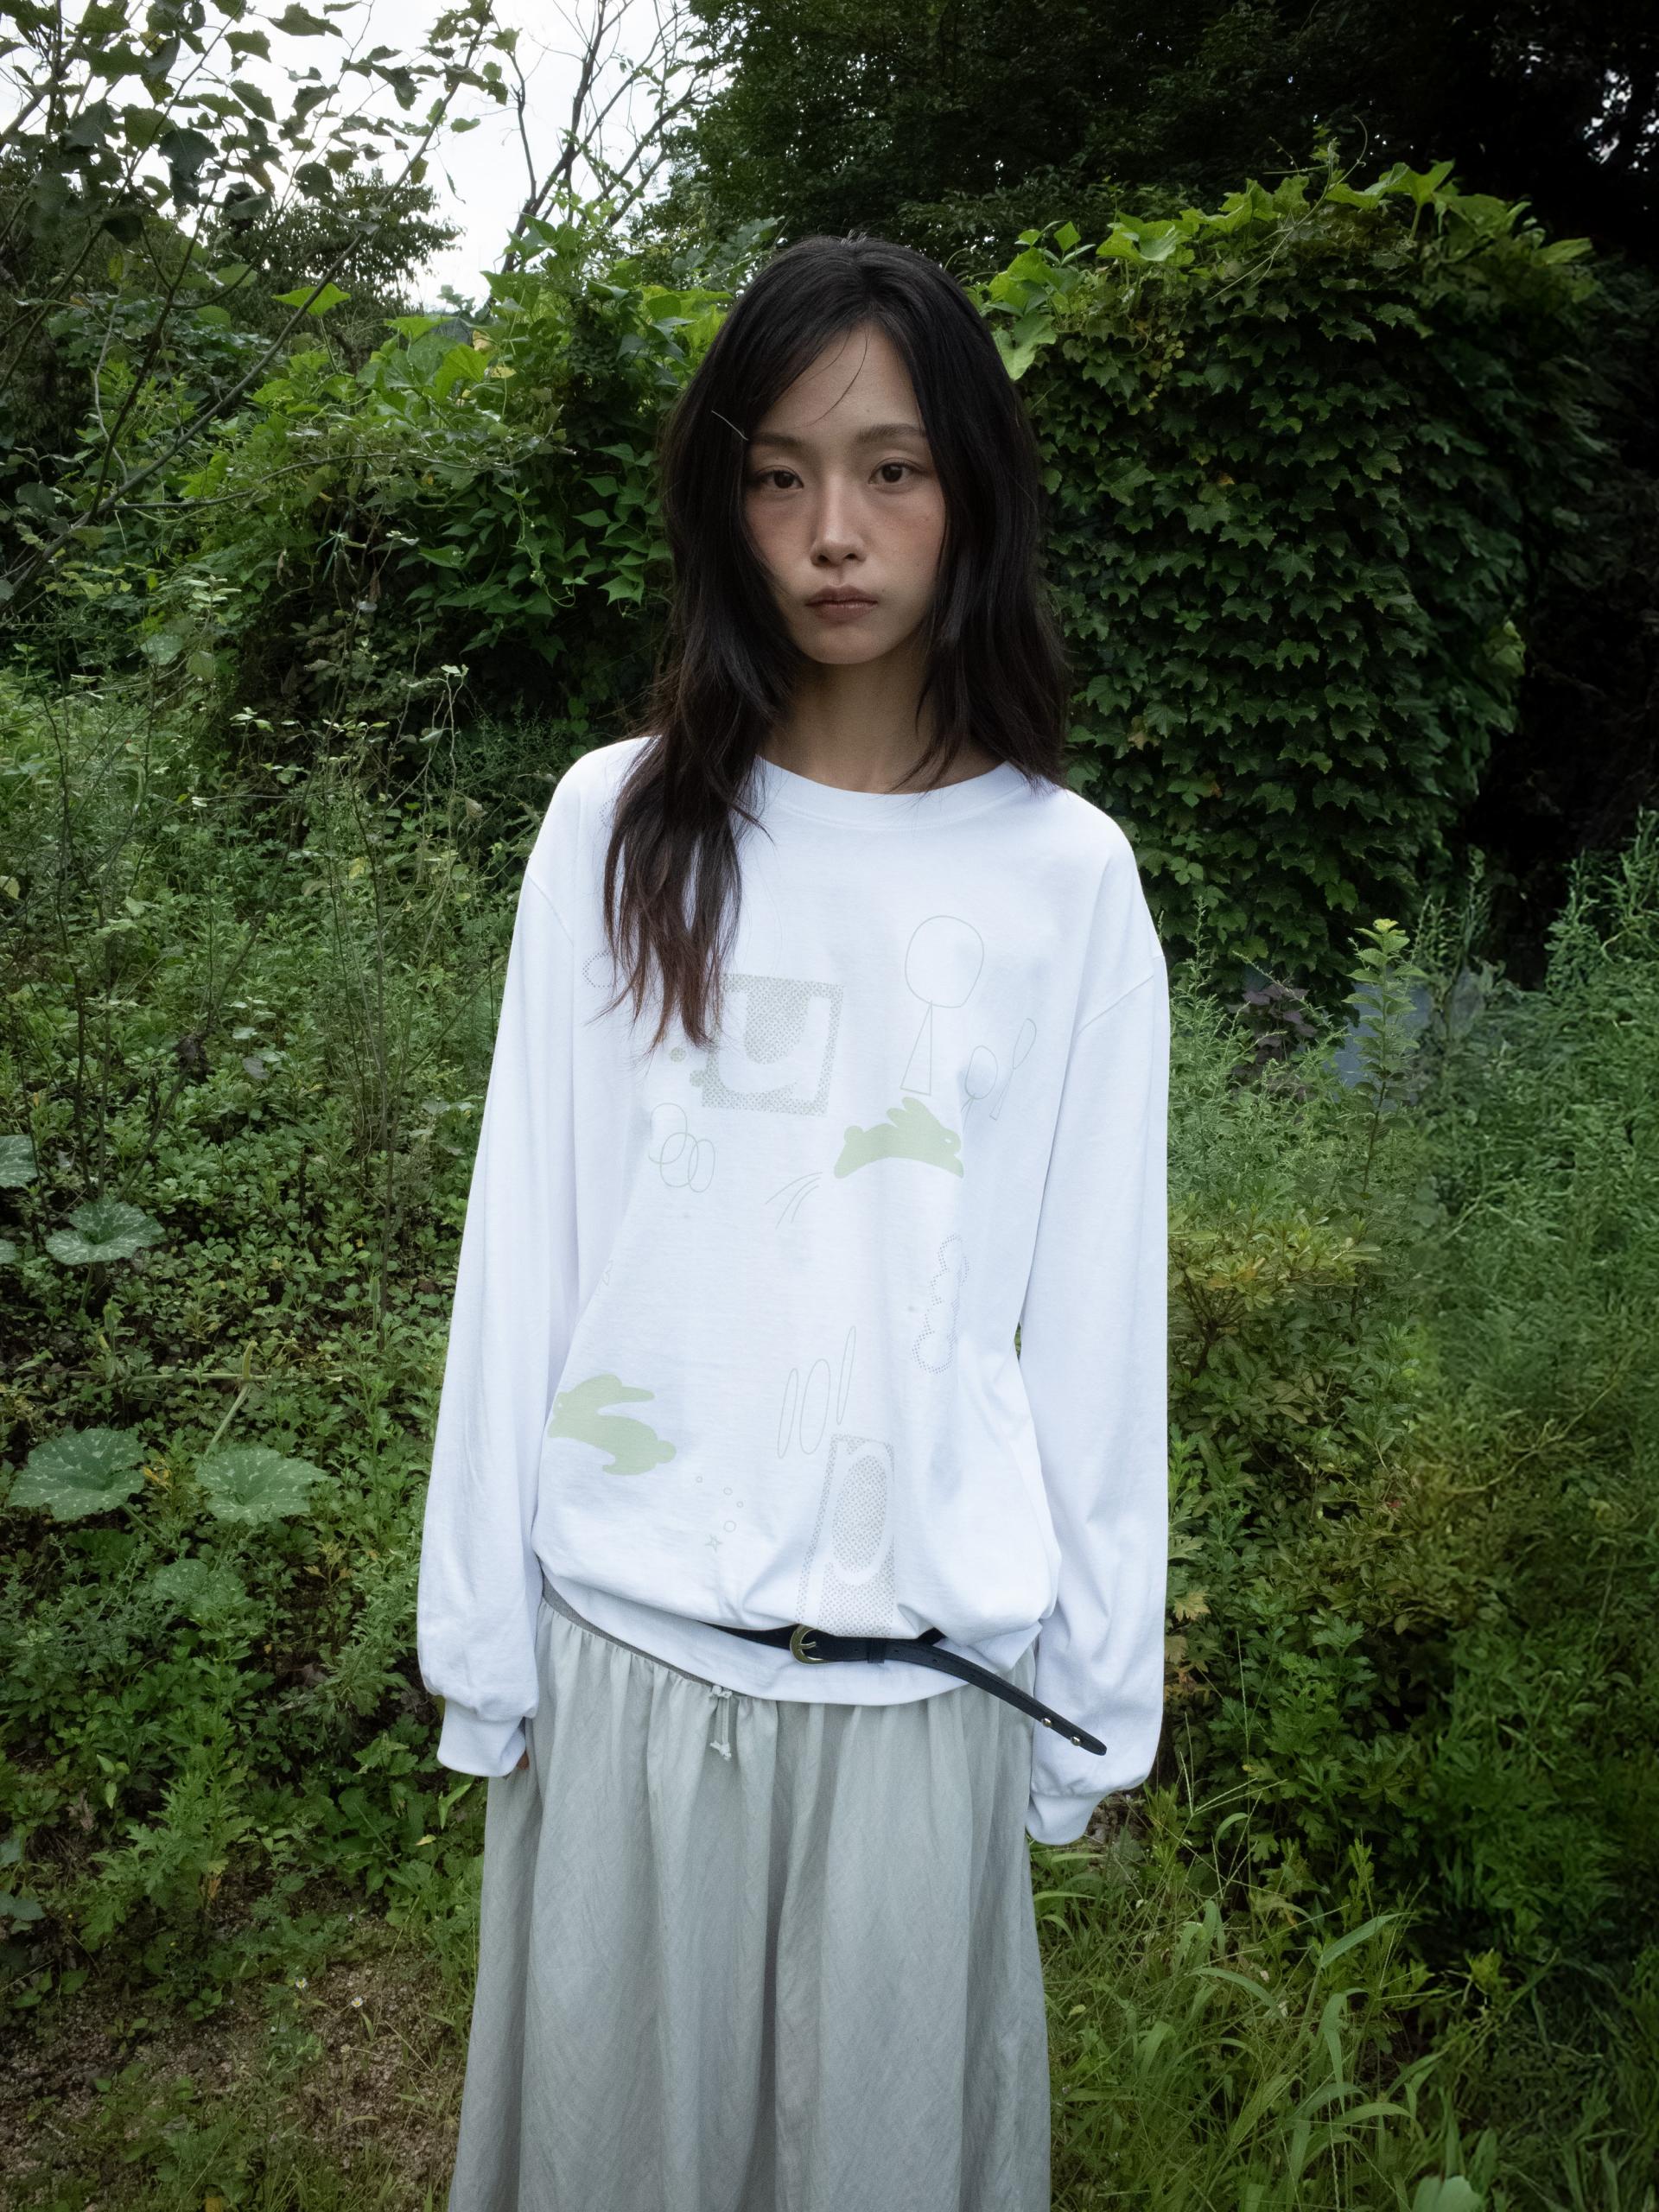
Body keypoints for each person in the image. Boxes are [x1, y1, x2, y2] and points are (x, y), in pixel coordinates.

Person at [416, 231, 1171, 2212]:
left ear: (970, 491)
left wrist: (1100, 1694)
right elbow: (529, 1244)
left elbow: (1095, 1327)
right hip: (630, 1662)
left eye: (892, 468)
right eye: (779, 474)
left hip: (921, 1694)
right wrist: (483, 1636)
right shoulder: (616, 829)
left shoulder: (1067, 879)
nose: (835, 530)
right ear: (724, 504)